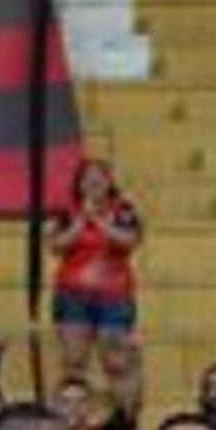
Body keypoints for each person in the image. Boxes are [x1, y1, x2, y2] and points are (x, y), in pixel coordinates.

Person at [44, 153, 148, 406]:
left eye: (100, 178)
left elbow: (129, 241)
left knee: (118, 363)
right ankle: (68, 420)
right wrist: (82, 220)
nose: (94, 183)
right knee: (73, 363)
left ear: (110, 182)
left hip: (114, 296)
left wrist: (99, 221)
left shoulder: (123, 209)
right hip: (72, 295)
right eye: (88, 178)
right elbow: (56, 246)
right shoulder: (67, 212)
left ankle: (126, 420)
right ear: (79, 184)